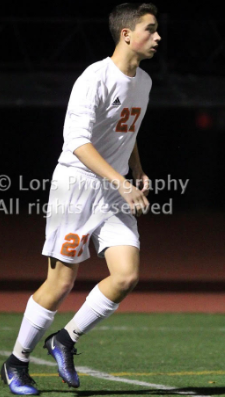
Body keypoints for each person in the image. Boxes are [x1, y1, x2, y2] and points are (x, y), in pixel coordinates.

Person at [1, 3, 161, 395]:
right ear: (126, 34)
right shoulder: (94, 77)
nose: (158, 37)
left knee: (125, 276)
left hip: (113, 188)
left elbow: (128, 130)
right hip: (77, 186)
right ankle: (16, 362)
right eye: (150, 29)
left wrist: (136, 170)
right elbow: (76, 142)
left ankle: (64, 340)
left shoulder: (144, 82)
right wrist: (119, 180)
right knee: (60, 282)